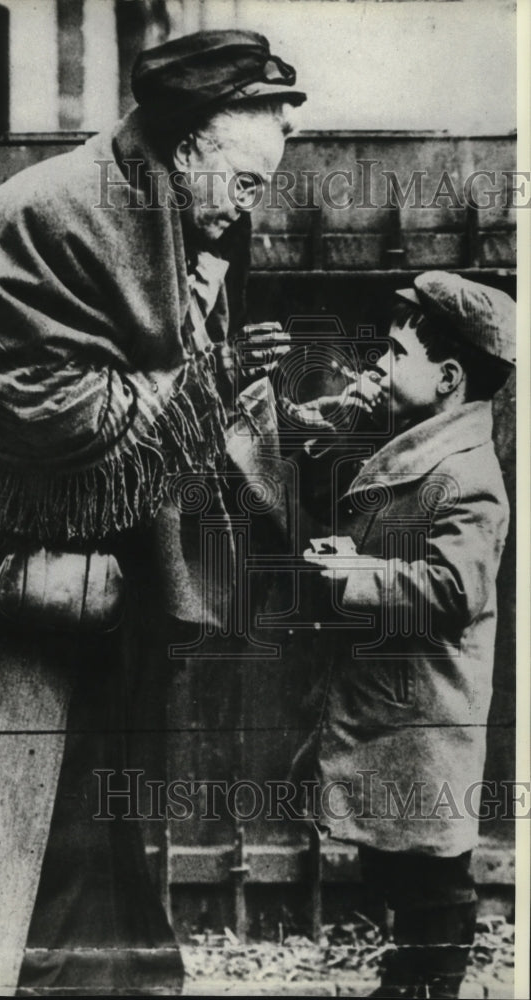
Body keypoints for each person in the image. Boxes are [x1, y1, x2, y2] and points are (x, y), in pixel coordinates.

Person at [0, 29, 306, 996]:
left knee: (81, 773)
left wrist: (216, 369)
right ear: (185, 150)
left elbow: (152, 389)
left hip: (51, 534)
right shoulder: (48, 218)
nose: (251, 210)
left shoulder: (178, 212)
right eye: (248, 185)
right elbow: (75, 430)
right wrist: (207, 381)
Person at [294, 271, 515, 999]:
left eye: (394, 355)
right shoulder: (422, 441)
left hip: (425, 719)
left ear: (448, 378)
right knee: (401, 870)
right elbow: (363, 497)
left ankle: (428, 983)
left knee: (433, 883)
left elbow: (454, 590)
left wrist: (360, 574)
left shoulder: (468, 475)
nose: (378, 369)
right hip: (398, 714)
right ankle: (413, 975)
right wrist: (347, 419)